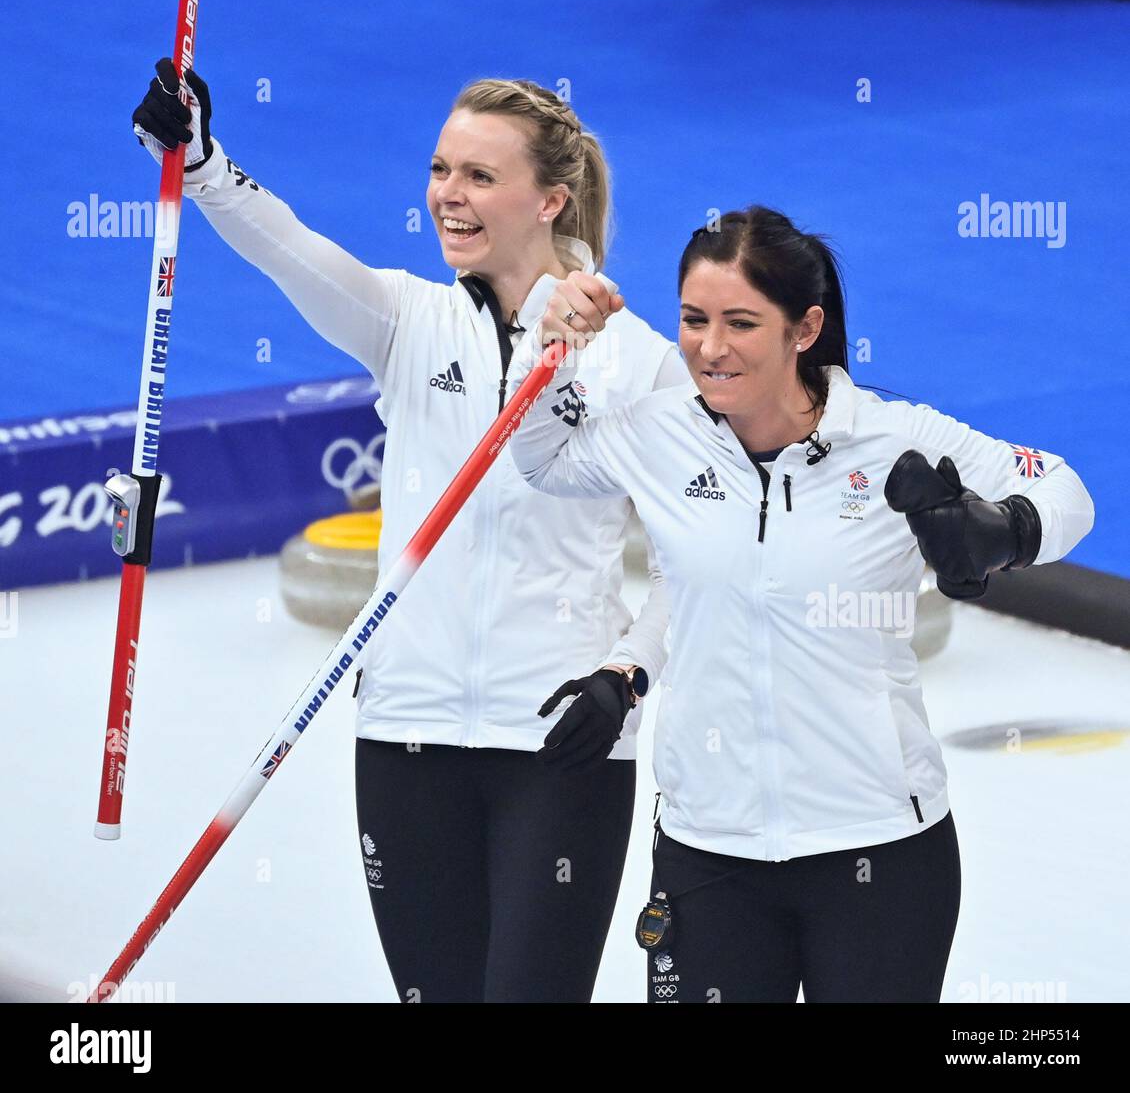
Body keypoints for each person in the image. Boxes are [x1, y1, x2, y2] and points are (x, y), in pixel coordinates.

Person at [131, 60, 687, 1002]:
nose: (448, 196)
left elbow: (692, 554)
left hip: (560, 743)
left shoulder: (640, 361)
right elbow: (288, 249)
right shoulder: (408, 321)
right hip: (408, 739)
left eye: (478, 176)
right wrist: (203, 162)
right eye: (441, 169)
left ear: (551, 199)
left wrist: (629, 673)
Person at [509, 205, 1095, 1004]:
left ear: (804, 327)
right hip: (708, 853)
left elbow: (1062, 485)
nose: (710, 349)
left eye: (741, 323)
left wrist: (1001, 532)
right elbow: (540, 458)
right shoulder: (657, 434)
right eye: (693, 319)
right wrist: (553, 347)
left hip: (880, 853)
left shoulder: (893, 439)